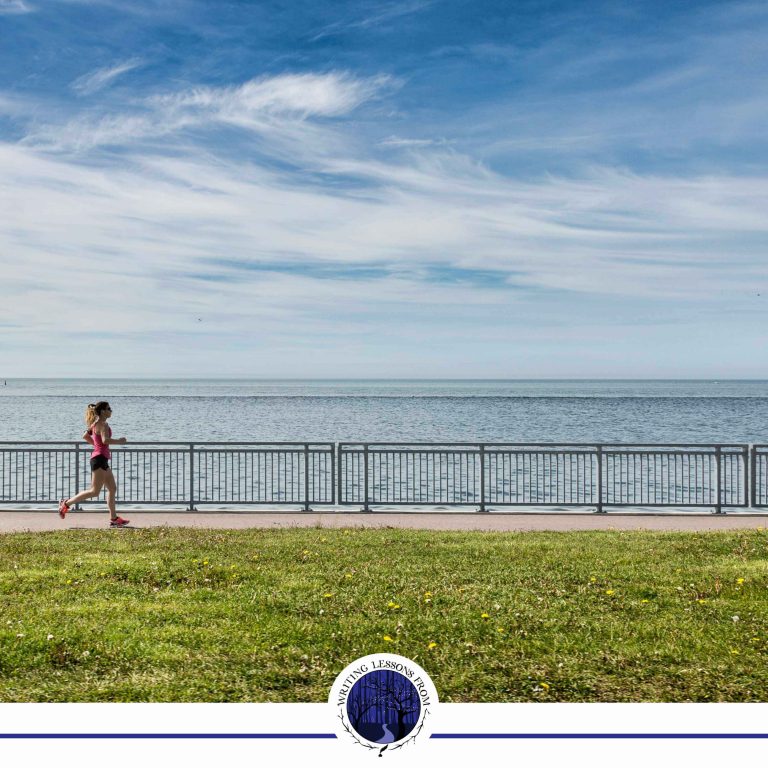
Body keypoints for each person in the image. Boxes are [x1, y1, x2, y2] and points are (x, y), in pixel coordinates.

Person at [58, 401, 130, 527]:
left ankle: (114, 519)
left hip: (101, 459)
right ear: (103, 411)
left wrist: (97, 446)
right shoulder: (103, 425)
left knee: (112, 488)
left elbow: (85, 436)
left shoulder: (95, 424)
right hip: (99, 459)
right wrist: (120, 441)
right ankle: (66, 503)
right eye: (109, 408)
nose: (111, 410)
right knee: (94, 491)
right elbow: (105, 440)